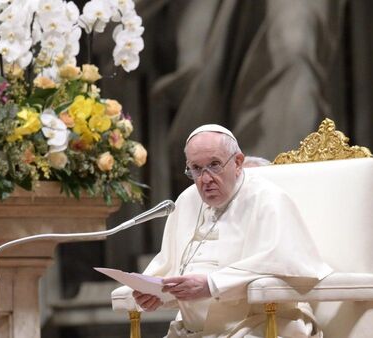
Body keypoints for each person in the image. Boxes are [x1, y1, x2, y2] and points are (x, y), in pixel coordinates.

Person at [132, 124, 332, 338]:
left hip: (260, 324)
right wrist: (156, 293)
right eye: (196, 169)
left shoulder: (268, 200)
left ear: (237, 162)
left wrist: (212, 285)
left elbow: (283, 263)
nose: (205, 179)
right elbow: (170, 265)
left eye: (214, 165)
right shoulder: (187, 200)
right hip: (190, 331)